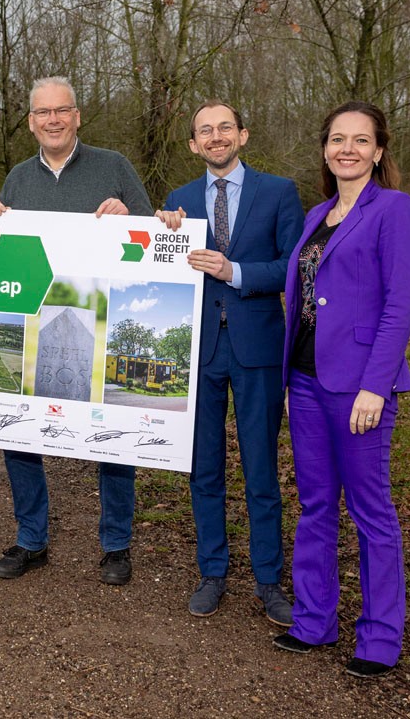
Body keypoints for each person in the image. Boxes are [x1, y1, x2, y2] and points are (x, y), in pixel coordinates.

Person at [272, 101, 410, 679]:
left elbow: (399, 305)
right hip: (307, 381)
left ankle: (380, 639)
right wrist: (290, 379)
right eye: (338, 139)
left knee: (370, 511)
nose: (348, 149)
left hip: (359, 386)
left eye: (361, 140)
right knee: (314, 506)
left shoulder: (394, 210)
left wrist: (375, 386)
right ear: (325, 148)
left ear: (379, 151)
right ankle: (314, 622)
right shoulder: (317, 215)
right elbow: (306, 305)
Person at [0, 76, 152, 585]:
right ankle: (31, 538)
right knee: (19, 434)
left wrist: (132, 218)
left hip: (97, 321)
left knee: (111, 438)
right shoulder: (17, 178)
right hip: (36, 322)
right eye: (42, 113)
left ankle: (116, 544)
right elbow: (6, 257)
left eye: (62, 110)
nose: (52, 120)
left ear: (77, 116)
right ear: (31, 121)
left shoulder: (114, 166)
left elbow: (158, 236)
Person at [155, 101, 304, 625]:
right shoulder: (178, 200)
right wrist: (165, 233)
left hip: (257, 348)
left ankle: (269, 581)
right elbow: (164, 266)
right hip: (199, 351)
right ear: (194, 145)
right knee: (204, 469)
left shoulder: (280, 192)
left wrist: (234, 270)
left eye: (224, 128)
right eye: (204, 132)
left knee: (261, 470)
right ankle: (212, 572)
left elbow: (292, 268)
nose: (215, 137)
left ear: (242, 134)